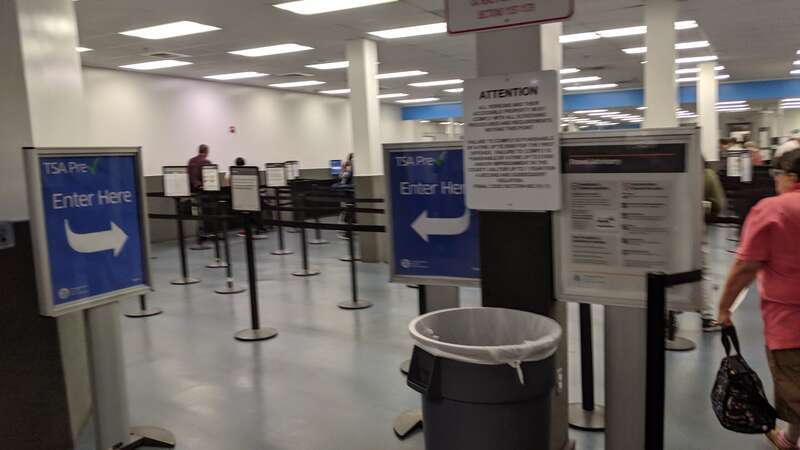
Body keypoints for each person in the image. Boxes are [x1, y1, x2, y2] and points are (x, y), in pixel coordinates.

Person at [717, 149, 800, 449]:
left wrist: (724, 308)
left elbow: (745, 266)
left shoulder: (773, 209)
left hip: (790, 324)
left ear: (790, 177)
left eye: (778, 175)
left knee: (793, 385)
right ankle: (790, 439)